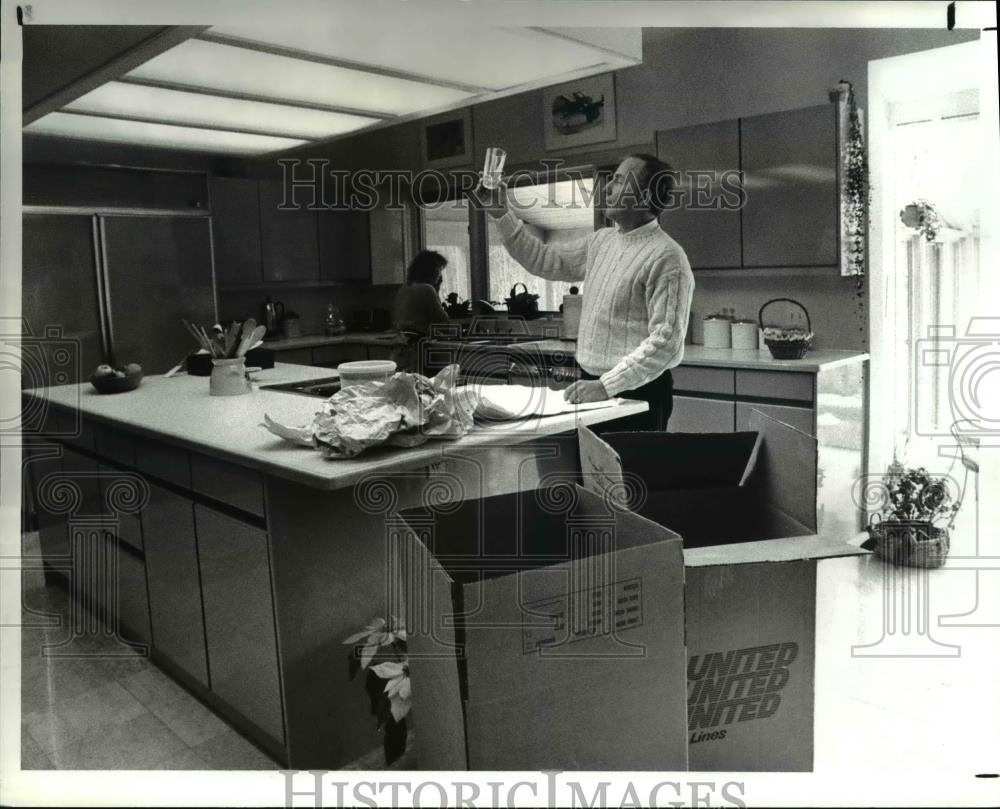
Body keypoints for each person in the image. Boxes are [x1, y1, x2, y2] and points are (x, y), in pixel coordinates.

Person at [474, 154, 694, 430]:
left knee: (626, 474)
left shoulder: (668, 256)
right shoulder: (602, 241)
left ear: (645, 196)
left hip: (638, 392)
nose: (607, 188)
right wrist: (500, 213)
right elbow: (544, 259)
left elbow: (667, 342)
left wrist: (606, 386)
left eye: (618, 180)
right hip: (591, 384)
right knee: (589, 472)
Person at [391, 250, 451, 372]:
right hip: (416, 350)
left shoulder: (403, 289)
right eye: (439, 270)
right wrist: (437, 289)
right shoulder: (427, 289)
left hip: (399, 347)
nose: (440, 275)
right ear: (431, 271)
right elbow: (444, 323)